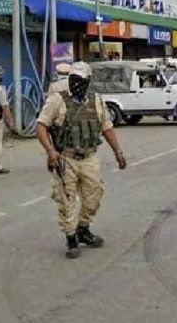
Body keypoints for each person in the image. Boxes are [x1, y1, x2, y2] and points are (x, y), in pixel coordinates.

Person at [36, 61, 127, 259]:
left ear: (88, 81)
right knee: (66, 199)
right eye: (74, 80)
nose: (77, 84)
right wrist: (51, 151)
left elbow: (107, 127)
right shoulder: (57, 100)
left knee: (94, 196)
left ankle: (83, 228)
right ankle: (71, 238)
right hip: (66, 157)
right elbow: (41, 126)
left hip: (89, 157)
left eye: (81, 81)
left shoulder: (96, 101)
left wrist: (118, 152)